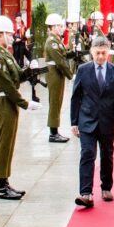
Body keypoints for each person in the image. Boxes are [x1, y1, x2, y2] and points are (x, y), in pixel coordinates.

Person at [69, 36, 114, 208]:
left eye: (104, 53)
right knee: (87, 154)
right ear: (91, 52)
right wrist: (74, 122)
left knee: (107, 155)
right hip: (86, 120)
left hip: (108, 121)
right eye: (97, 53)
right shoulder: (83, 70)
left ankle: (106, 187)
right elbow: (76, 96)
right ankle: (86, 193)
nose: (100, 57)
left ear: (109, 53)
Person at [0, 15, 42, 200]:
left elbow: (18, 76)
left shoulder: (6, 54)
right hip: (4, 102)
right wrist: (25, 103)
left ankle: (5, 182)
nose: (12, 37)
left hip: (10, 103)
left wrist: (31, 70)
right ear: (0, 35)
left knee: (8, 144)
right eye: (9, 34)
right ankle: (1, 187)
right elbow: (7, 86)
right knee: (3, 144)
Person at [44, 13, 72, 143]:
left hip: (57, 72)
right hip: (54, 73)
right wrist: (70, 74)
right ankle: (53, 133)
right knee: (55, 102)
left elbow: (64, 55)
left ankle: (55, 131)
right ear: (53, 27)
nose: (62, 28)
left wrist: (74, 53)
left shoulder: (56, 40)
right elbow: (60, 61)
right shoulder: (52, 42)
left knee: (58, 101)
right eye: (60, 26)